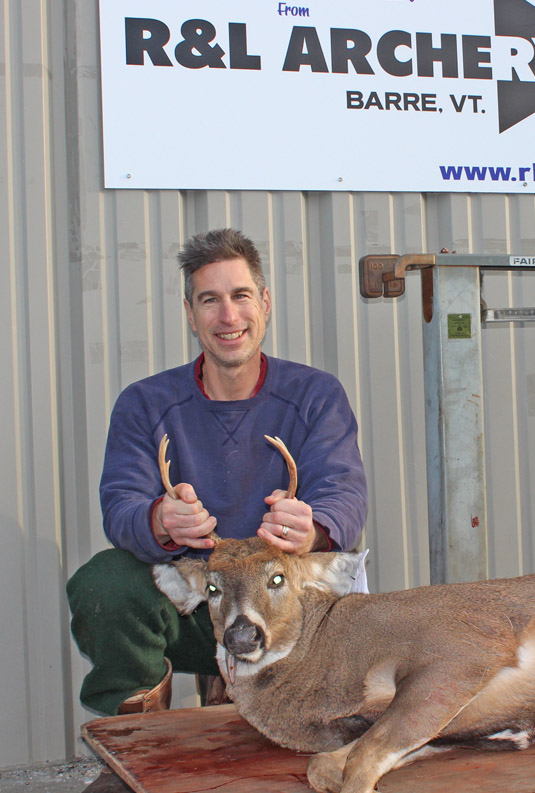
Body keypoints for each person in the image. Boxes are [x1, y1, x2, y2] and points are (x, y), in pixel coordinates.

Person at [67, 228, 368, 715]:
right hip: (196, 599)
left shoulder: (316, 394)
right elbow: (121, 504)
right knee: (106, 584)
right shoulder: (145, 403)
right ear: (191, 314)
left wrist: (313, 528)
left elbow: (344, 491)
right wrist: (158, 520)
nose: (228, 316)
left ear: (264, 303)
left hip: (282, 604)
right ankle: (138, 730)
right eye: (210, 300)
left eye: (240, 296)